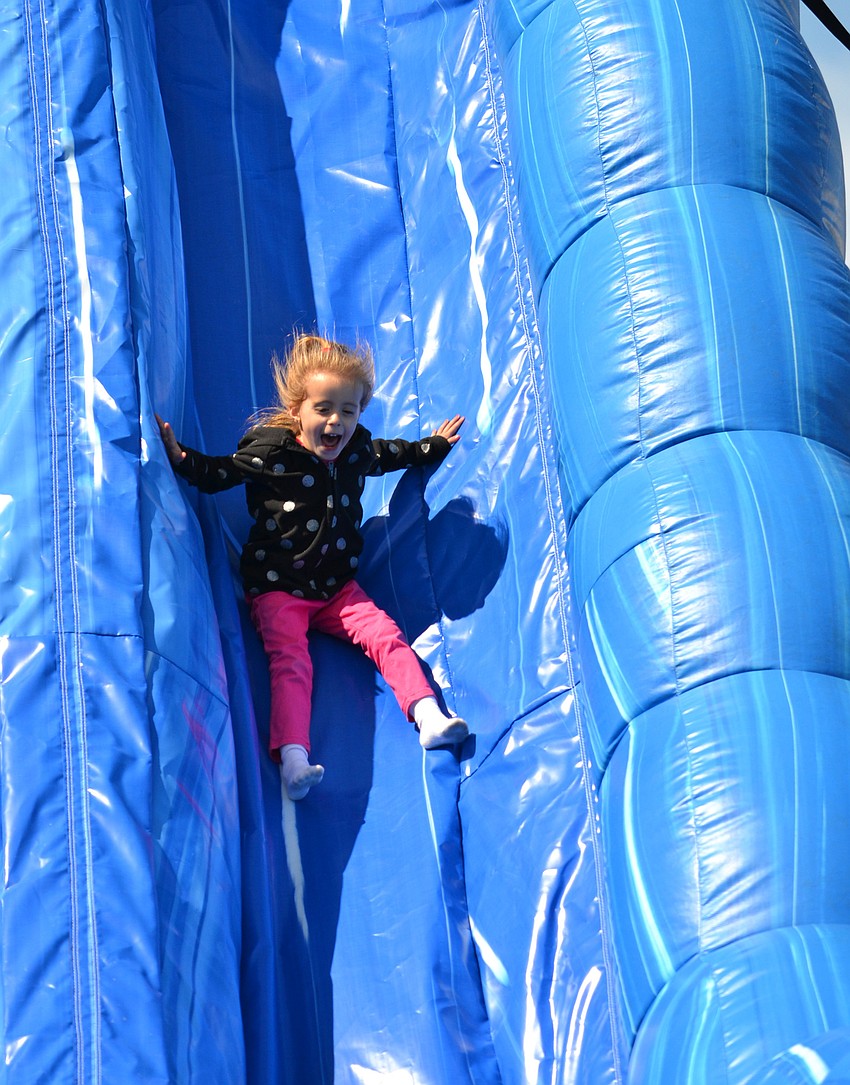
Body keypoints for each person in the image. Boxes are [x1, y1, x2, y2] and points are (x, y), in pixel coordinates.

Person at [157, 333, 469, 800]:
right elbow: (222, 473)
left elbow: (392, 454)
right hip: (278, 586)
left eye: (348, 410)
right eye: (323, 408)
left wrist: (432, 447)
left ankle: (428, 717)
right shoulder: (271, 453)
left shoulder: (357, 449)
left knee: (386, 637)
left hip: (337, 587)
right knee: (292, 663)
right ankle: (294, 759)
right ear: (297, 409)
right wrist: (182, 460)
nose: (335, 422)